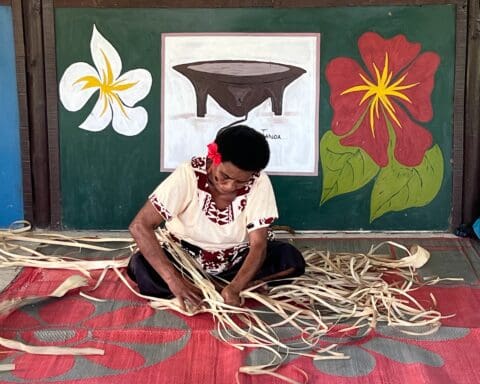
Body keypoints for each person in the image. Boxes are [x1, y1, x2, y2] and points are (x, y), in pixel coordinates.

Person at [127, 125, 305, 310]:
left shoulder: (259, 182)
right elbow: (140, 225)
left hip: (236, 261)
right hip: (185, 261)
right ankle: (209, 287)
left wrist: (235, 287)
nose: (229, 186)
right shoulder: (188, 175)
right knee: (140, 266)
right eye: (225, 176)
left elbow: (258, 245)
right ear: (213, 157)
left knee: (290, 259)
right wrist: (173, 279)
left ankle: (213, 289)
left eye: (241, 181)